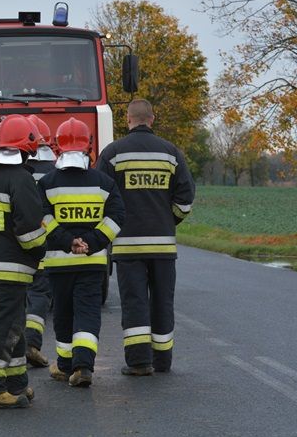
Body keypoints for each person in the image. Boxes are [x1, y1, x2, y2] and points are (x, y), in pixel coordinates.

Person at [95, 99, 195, 375]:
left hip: (127, 246)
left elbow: (99, 195)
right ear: (152, 119)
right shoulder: (171, 153)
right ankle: (162, 361)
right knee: (163, 300)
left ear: (128, 120)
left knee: (135, 300)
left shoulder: (113, 153)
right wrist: (168, 220)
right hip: (163, 246)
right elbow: (185, 199)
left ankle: (139, 362)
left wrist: (113, 226)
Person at [38, 117, 124, 387]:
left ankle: (64, 366)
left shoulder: (47, 183)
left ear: (57, 147)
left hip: (58, 264)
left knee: (63, 313)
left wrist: (68, 242)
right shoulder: (103, 182)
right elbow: (116, 217)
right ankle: (84, 366)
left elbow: (42, 218)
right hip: (92, 262)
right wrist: (92, 242)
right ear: (89, 146)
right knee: (87, 312)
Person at [0, 114, 47, 409]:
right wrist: (43, 250)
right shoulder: (22, 179)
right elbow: (29, 231)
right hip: (13, 267)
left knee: (14, 326)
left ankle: (15, 382)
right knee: (3, 327)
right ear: (26, 146)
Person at [24, 114, 56, 368]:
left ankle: (16, 348)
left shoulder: (11, 170)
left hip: (15, 249)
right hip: (47, 247)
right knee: (39, 295)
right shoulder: (57, 170)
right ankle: (31, 343)